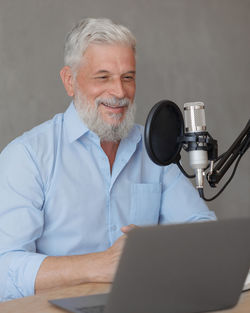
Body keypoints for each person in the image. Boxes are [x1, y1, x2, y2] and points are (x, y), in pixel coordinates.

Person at [0, 18, 216, 301]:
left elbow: (206, 236)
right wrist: (99, 265)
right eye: (103, 77)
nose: (119, 92)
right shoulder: (27, 157)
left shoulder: (154, 151)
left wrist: (161, 250)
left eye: (128, 77)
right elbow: (4, 270)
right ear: (70, 80)